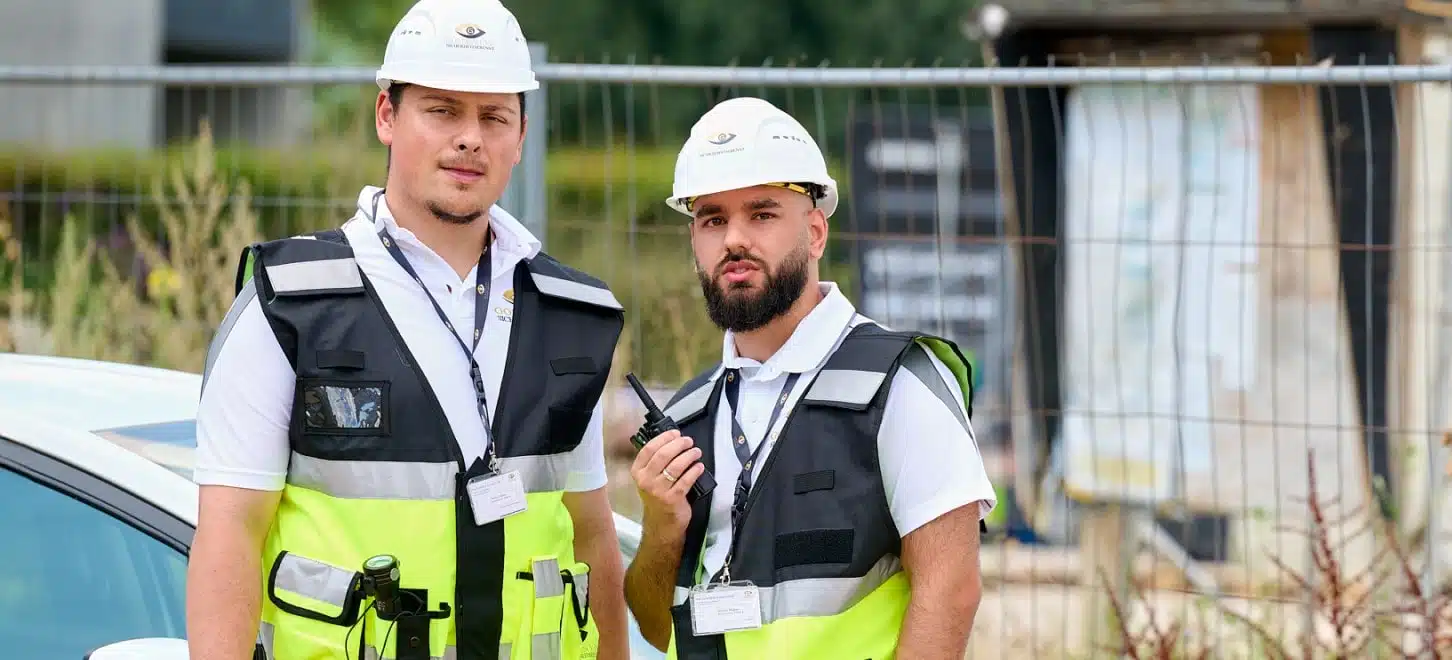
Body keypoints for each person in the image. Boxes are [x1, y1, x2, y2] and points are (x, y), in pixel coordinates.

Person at [185, 1, 632, 658]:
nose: (470, 138)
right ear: (386, 116)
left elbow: (593, 540)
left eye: (493, 116)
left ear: (521, 135)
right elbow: (229, 537)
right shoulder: (288, 309)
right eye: (443, 110)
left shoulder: (569, 317)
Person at [621, 97, 996, 659]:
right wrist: (661, 528)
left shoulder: (901, 383)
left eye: (762, 214)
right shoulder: (687, 414)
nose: (734, 241)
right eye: (713, 219)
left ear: (816, 233)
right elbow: (653, 627)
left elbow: (952, 591)